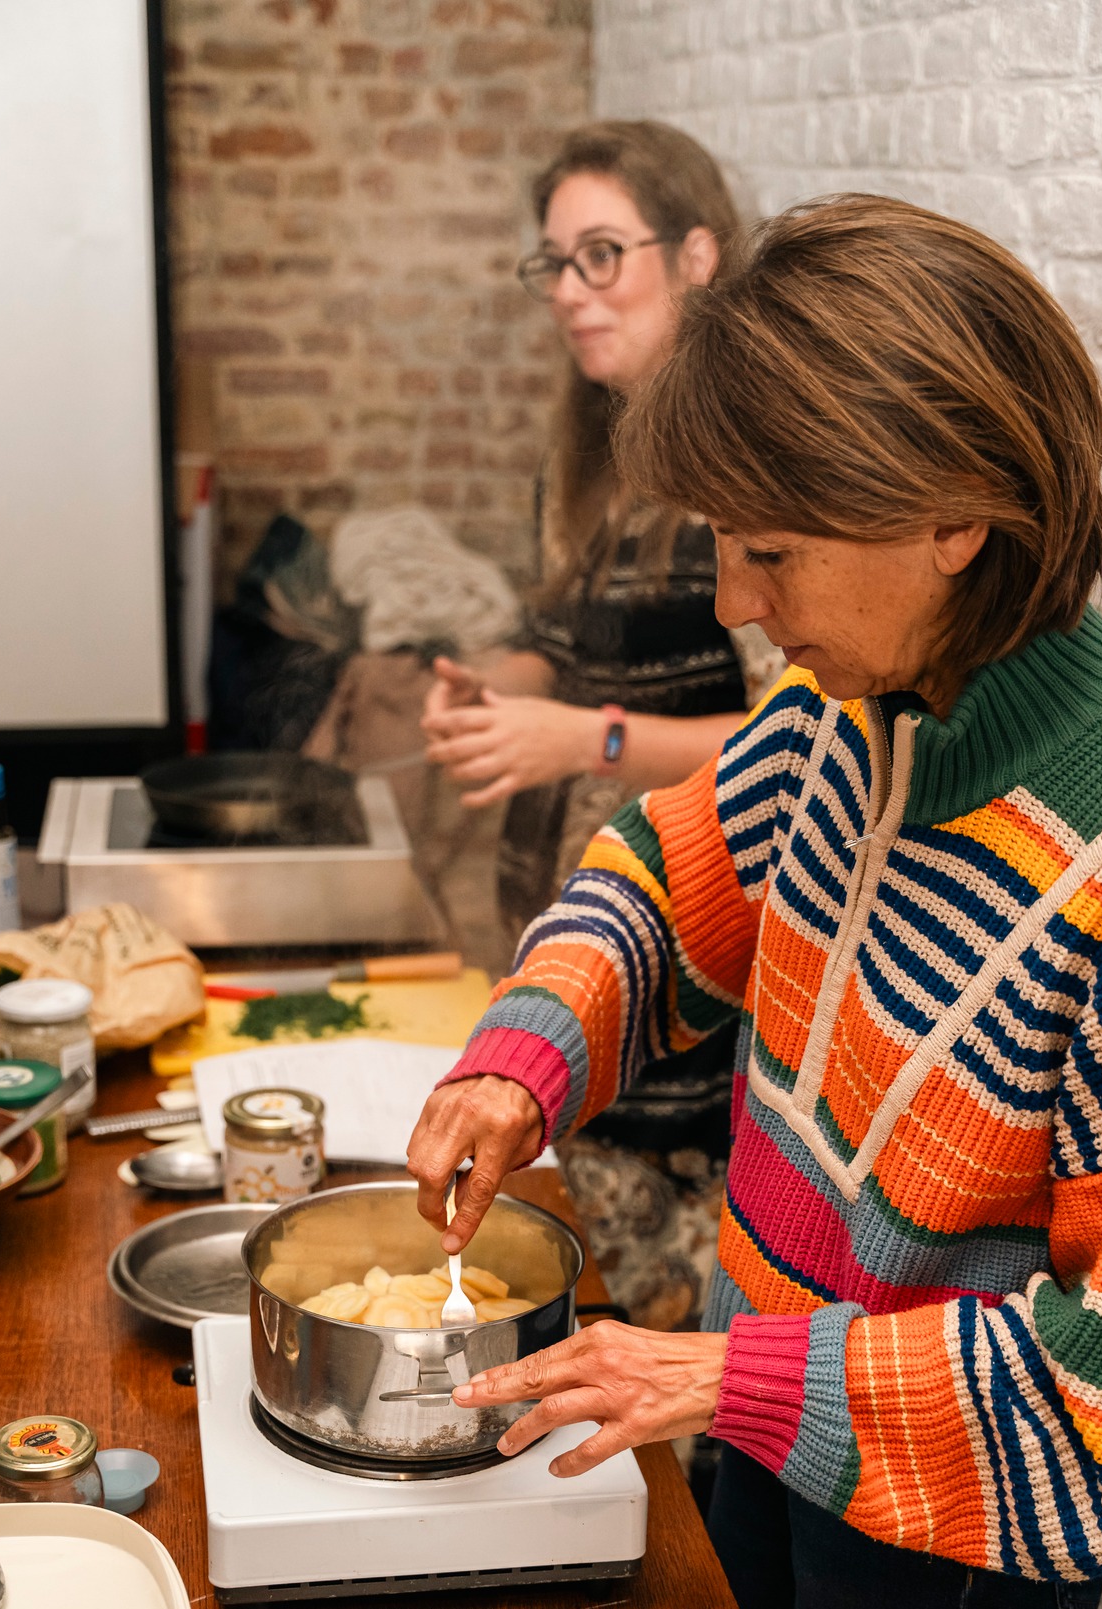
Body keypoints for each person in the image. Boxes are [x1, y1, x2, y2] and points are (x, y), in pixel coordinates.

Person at [406, 194, 1102, 1609]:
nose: (738, 605)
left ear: (954, 518)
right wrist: (524, 1048)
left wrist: (721, 1386)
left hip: (940, 1528)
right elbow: (669, 873)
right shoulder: (854, 706)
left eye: (767, 554)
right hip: (772, 1408)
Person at [423, 120, 762, 1329]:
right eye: (555, 263)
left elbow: (802, 746)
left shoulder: (745, 457)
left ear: (701, 255)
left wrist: (583, 739)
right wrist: (490, 682)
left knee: (663, 1389)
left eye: (602, 255)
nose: (570, 292)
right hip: (578, 980)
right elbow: (566, 649)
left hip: (685, 1025)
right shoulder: (593, 445)